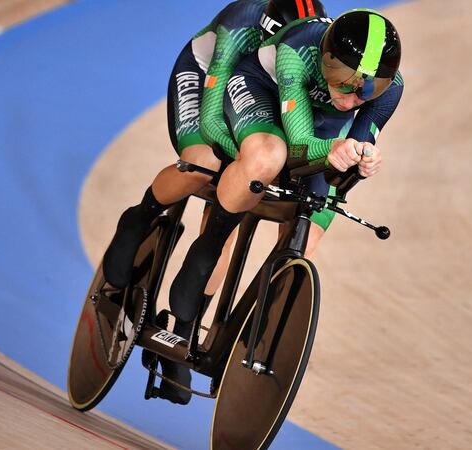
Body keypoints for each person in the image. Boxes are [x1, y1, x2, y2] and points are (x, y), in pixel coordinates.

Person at [167, 8, 404, 402]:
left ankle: (246, 341)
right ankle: (186, 320)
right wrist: (328, 149)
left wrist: (363, 161)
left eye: (367, 89)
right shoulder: (297, 49)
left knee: (305, 243)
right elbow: (297, 147)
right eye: (344, 82)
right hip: (266, 99)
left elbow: (344, 166)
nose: (352, 97)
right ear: (325, 59)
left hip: (317, 133)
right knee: (261, 163)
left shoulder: (390, 89)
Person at [100, 0, 327, 404]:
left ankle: (184, 326)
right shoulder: (242, 23)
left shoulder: (307, 47)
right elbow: (212, 115)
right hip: (209, 77)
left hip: (264, 89)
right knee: (205, 162)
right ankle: (141, 216)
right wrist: (235, 162)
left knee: (238, 200)